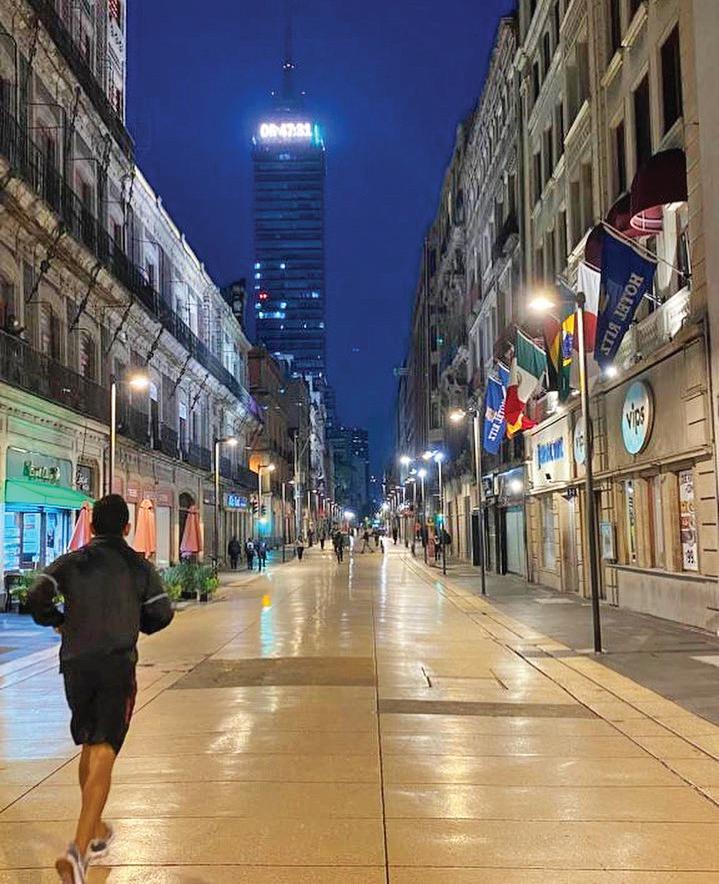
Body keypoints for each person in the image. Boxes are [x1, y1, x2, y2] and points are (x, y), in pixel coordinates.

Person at [27, 494, 173, 884]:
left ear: (91, 527)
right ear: (127, 528)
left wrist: (58, 620)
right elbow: (161, 612)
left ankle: (94, 829)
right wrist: (137, 621)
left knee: (90, 744)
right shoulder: (138, 566)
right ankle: (78, 853)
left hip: (75, 666)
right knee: (106, 747)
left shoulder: (72, 561)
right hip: (116, 665)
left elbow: (37, 594)